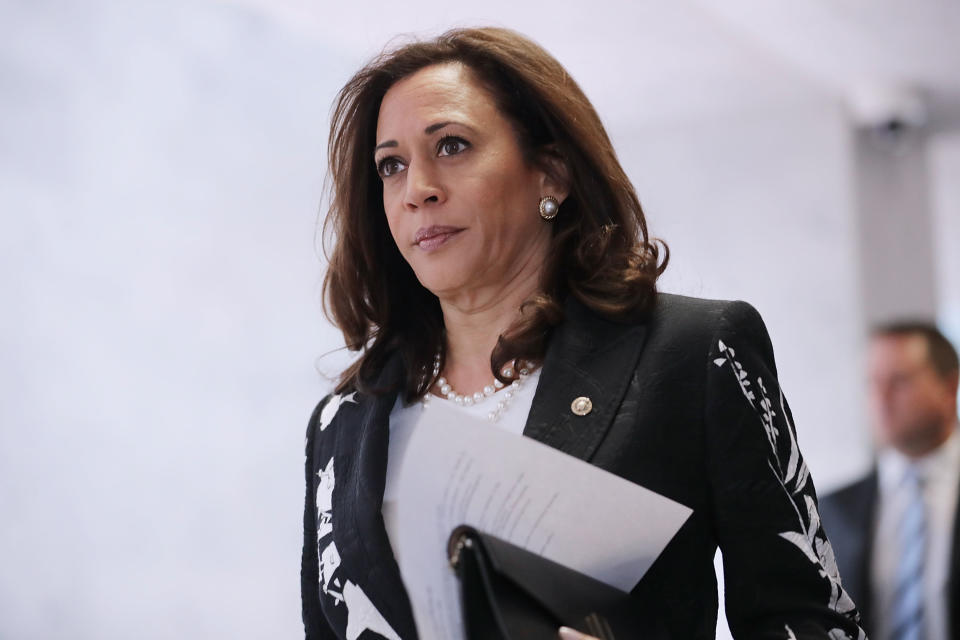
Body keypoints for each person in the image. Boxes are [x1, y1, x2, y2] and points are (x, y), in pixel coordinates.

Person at [301, 27, 866, 640]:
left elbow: (817, 623)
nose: (418, 190)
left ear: (553, 173)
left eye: (453, 146)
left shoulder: (694, 353)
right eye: (391, 166)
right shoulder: (345, 421)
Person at [820, 323, 960, 640]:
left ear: (949, 388)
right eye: (872, 383)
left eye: (900, 382)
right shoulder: (832, 510)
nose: (880, 399)